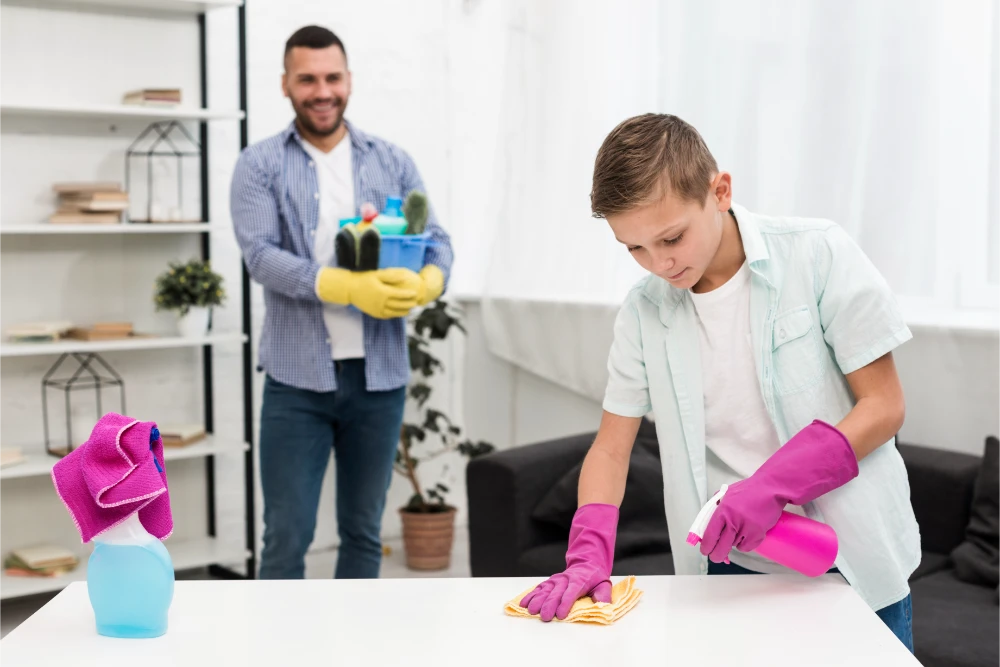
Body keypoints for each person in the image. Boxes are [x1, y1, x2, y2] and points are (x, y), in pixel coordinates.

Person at [520, 114, 919, 652]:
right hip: (730, 568)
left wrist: (772, 486)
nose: (659, 263)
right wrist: (588, 551)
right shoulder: (643, 312)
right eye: (634, 248)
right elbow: (611, 450)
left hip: (854, 563)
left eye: (672, 237)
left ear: (720, 191)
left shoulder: (816, 254)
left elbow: (883, 406)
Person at [230, 25, 453, 580]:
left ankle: (355, 634)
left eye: (332, 77)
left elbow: (437, 242)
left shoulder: (391, 161)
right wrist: (341, 286)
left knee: (363, 532)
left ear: (349, 80)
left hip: (378, 379)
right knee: (286, 535)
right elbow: (259, 256)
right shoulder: (259, 164)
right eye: (307, 79)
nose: (322, 91)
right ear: (285, 84)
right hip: (295, 382)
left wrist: (429, 281)